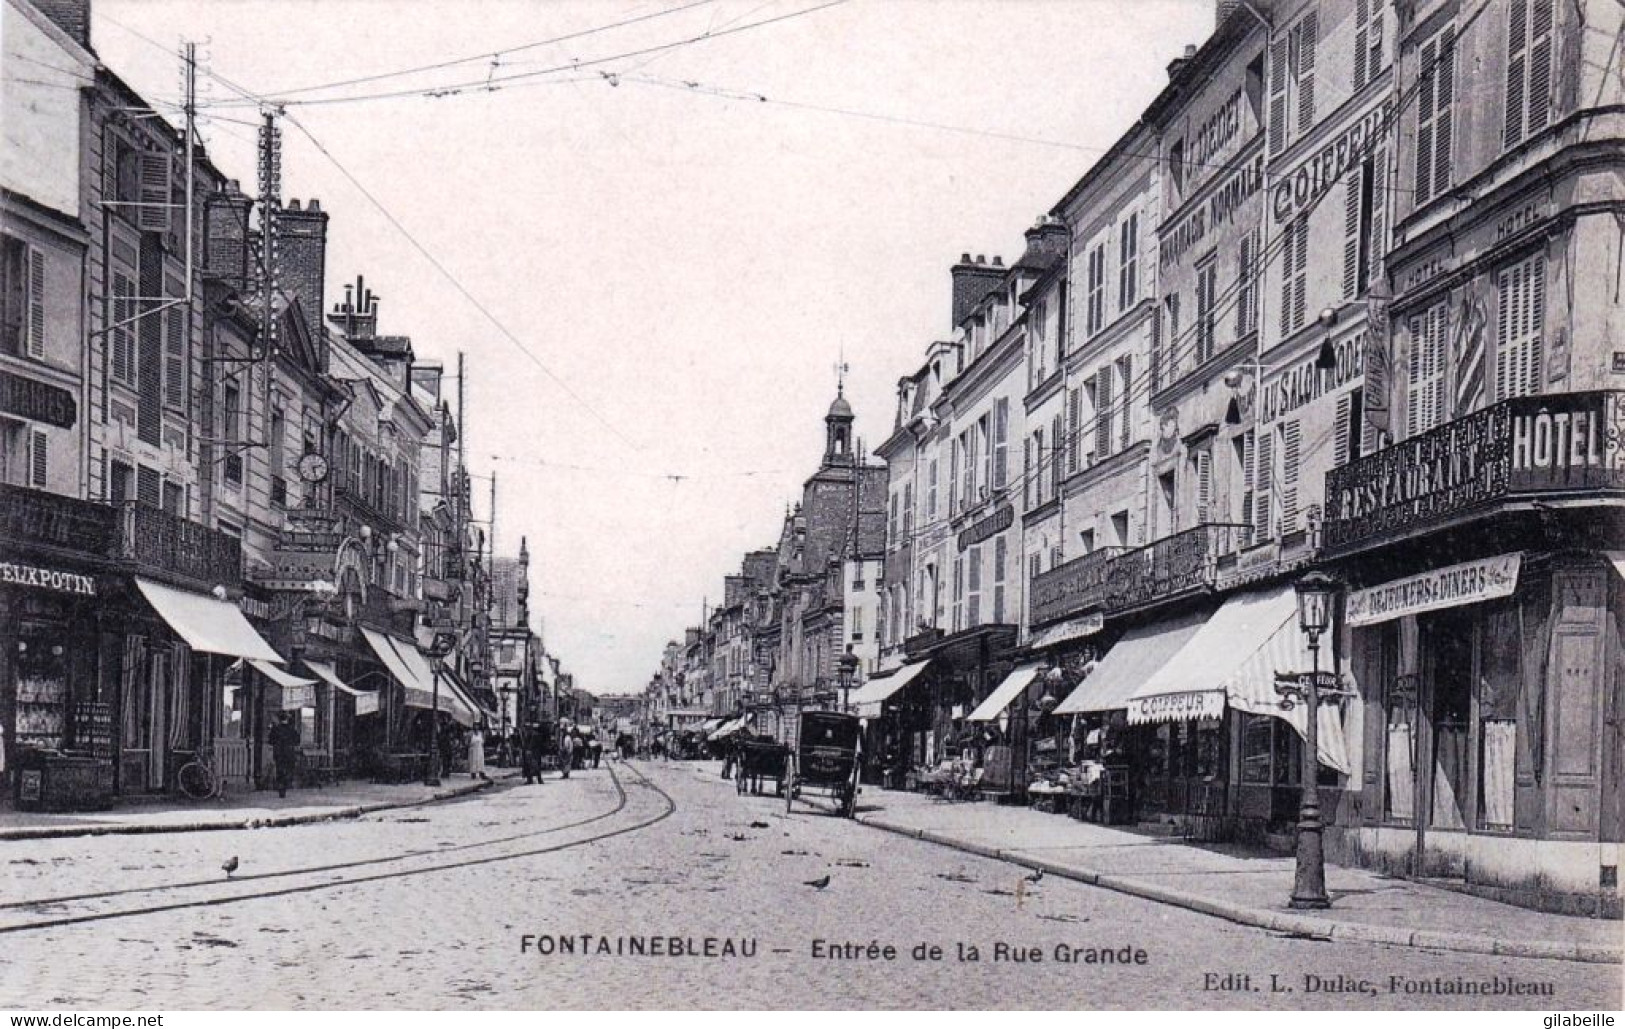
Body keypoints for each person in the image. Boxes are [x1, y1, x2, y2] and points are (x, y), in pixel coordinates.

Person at [269, 711, 301, 798]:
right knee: (288, 769)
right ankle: (286, 784)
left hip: (278, 753)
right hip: (289, 753)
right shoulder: (291, 729)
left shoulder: (275, 729)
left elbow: (270, 741)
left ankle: (281, 788)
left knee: (280, 770)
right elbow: (297, 740)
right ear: (287, 719)